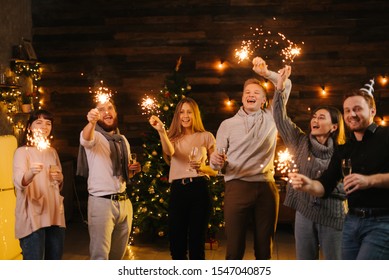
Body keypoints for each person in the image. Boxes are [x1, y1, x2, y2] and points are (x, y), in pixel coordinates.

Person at [256, 59, 347, 259]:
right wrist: (279, 88)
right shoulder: (299, 141)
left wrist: (322, 188)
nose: (315, 120)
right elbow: (280, 117)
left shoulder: (343, 151)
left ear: (334, 126)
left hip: (333, 216)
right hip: (304, 213)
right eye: (314, 116)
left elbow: (349, 187)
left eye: (321, 117)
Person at [288, 79, 389, 259]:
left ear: (372, 111)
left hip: (382, 222)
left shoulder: (386, 137)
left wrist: (369, 180)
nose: (352, 114)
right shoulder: (344, 149)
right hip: (351, 222)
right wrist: (308, 184)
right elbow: (323, 186)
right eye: (348, 110)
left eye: (357, 108)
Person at [209, 57, 291, 260]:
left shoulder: (273, 116)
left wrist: (265, 74)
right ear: (242, 98)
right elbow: (216, 161)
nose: (251, 95)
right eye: (247, 93)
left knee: (264, 249)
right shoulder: (227, 125)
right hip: (236, 186)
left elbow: (285, 85)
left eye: (256, 93)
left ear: (264, 100)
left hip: (266, 187)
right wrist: (216, 161)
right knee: (234, 249)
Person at [149, 97, 217, 260]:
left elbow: (216, 170)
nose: (185, 116)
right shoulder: (171, 138)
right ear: (177, 116)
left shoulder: (206, 136)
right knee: (176, 244)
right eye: (181, 112)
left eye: (189, 112)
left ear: (195, 115)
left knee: (196, 243)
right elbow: (169, 152)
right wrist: (161, 131)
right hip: (178, 191)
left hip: (199, 189)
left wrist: (201, 168)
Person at [77, 99, 141, 260]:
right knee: (100, 257)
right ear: (97, 116)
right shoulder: (95, 136)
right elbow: (85, 139)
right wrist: (91, 122)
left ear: (116, 113)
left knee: (118, 257)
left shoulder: (122, 139)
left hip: (124, 203)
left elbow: (125, 173)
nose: (107, 112)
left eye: (110, 108)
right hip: (101, 203)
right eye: (101, 109)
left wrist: (133, 170)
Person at [13, 109, 66, 260]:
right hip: (32, 216)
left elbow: (58, 183)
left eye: (48, 123)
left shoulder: (52, 152)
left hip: (54, 213)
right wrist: (31, 172)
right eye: (39, 122)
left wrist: (60, 178)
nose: (44, 126)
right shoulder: (22, 152)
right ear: (29, 127)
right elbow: (19, 182)